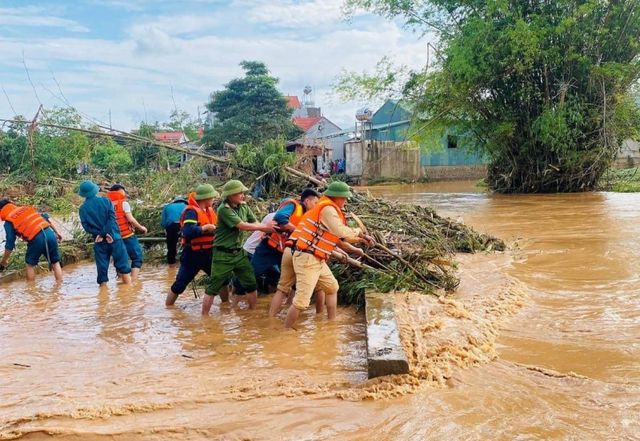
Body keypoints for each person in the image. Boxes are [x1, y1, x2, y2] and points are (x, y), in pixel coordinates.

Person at [283, 181, 373, 328]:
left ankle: (331, 323)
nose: (345, 201)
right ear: (336, 197)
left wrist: (362, 238)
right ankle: (284, 332)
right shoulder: (328, 209)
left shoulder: (329, 209)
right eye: (344, 198)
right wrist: (358, 231)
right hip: (307, 258)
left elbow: (343, 238)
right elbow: (340, 231)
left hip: (316, 258)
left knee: (332, 287)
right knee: (301, 302)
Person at [203, 179, 275, 314]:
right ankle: (204, 318)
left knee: (251, 283)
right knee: (213, 287)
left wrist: (264, 230)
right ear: (230, 195)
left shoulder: (243, 206)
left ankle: (252, 312)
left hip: (239, 253)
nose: (243, 195)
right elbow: (242, 225)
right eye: (239, 193)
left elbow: (254, 222)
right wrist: (266, 227)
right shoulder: (223, 210)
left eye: (243, 193)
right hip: (222, 254)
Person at [266, 188, 322, 317]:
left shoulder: (309, 214)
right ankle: (317, 320)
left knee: (287, 287)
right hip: (288, 250)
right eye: (315, 202)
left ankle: (275, 316)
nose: (316, 206)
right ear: (307, 201)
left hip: (289, 250)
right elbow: (280, 217)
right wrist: (298, 231)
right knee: (285, 287)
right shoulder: (294, 206)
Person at [165, 184, 219, 307]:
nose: (214, 200)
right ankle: (168, 309)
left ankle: (226, 307)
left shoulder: (209, 211)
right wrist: (205, 228)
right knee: (180, 284)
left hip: (208, 253)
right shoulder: (191, 212)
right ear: (205, 198)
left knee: (222, 280)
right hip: (192, 255)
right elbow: (188, 232)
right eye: (212, 197)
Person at [78, 180, 132, 286]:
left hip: (99, 241)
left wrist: (100, 234)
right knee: (123, 267)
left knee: (102, 271)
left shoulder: (83, 209)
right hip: (114, 237)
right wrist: (106, 233)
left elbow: (86, 227)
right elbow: (112, 218)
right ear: (95, 190)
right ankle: (129, 293)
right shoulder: (106, 201)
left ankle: (103, 298)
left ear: (83, 194)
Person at [0, 199, 64, 282]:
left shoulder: (9, 221)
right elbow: (47, 219)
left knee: (30, 265)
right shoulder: (27, 208)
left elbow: (10, 244)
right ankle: (59, 288)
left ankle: (31, 290)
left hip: (36, 239)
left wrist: (4, 261)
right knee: (55, 262)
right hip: (50, 234)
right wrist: (57, 232)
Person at [106, 184, 147, 281]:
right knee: (137, 257)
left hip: (114, 237)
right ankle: (132, 281)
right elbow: (131, 219)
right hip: (127, 235)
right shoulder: (124, 203)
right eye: (122, 191)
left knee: (119, 260)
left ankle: (122, 282)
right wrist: (141, 228)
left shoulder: (106, 204)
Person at [161, 196, 187, 267]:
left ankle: (171, 266)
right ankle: (186, 263)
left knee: (171, 247)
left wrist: (165, 230)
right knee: (187, 245)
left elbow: (163, 222)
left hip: (171, 226)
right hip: (184, 226)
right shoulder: (187, 206)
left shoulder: (167, 207)